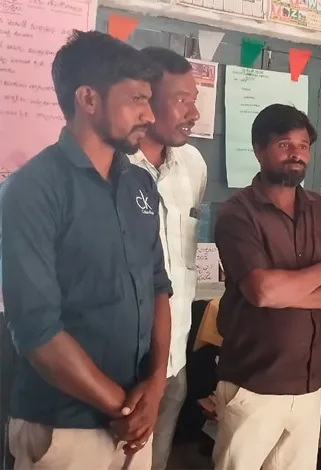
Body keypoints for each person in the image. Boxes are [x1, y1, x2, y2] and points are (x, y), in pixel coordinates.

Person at [1, 31, 172, 469]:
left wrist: (154, 387)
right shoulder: (32, 190)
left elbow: (158, 286)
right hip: (64, 429)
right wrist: (123, 407)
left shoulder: (139, 184)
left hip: (135, 422)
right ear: (88, 99)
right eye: (137, 99)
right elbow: (37, 329)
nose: (150, 115)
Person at [212, 104, 321, 470]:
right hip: (254, 383)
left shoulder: (319, 209)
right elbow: (263, 291)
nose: (296, 153)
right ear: (258, 149)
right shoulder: (237, 213)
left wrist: (288, 294)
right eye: (284, 144)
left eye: (303, 145)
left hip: (309, 382)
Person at [128, 46, 206, 470]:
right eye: (181, 100)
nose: (194, 113)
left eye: (194, 99)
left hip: (174, 361)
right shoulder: (113, 166)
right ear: (144, 99)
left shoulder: (193, 165)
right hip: (120, 366)